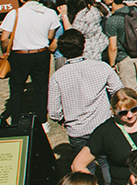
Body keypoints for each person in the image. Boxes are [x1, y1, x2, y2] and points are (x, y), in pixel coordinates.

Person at [46, 29, 122, 160]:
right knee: (106, 163)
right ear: (83, 45)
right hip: (103, 124)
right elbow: (119, 91)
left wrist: (62, 120)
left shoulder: (57, 77)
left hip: (77, 130)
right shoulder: (102, 67)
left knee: (84, 166)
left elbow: (53, 112)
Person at [1, 0, 62, 123]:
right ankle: (42, 119)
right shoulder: (50, 13)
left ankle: (15, 119)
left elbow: (4, 38)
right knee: (41, 88)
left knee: (16, 88)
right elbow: (50, 35)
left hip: (19, 54)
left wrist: (5, 52)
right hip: (41, 52)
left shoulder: (14, 13)